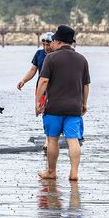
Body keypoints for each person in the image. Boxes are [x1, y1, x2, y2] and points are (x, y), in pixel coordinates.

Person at [36, 25, 90, 181]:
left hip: (53, 107)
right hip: (74, 107)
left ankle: (51, 172)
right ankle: (74, 173)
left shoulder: (50, 58)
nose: (51, 44)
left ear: (58, 41)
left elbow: (43, 81)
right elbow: (86, 85)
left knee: (52, 139)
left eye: (53, 41)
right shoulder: (82, 59)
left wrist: (38, 102)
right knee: (73, 140)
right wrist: (84, 103)